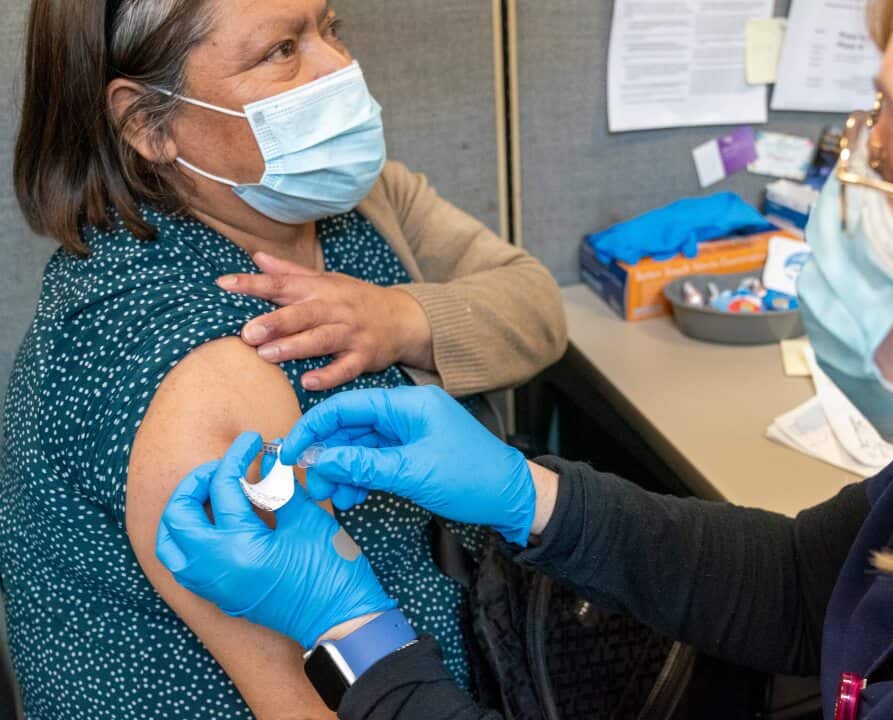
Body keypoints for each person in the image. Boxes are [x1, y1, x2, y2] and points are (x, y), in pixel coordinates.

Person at [159, 0, 893, 717]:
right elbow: (806, 585)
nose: (837, 189)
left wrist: (350, 638)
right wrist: (527, 493)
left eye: (887, 156)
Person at [0, 0, 566, 718]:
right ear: (150, 123)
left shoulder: (345, 204)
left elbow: (536, 306)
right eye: (282, 50)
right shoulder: (202, 367)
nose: (341, 67)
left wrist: (400, 319)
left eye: (331, 27)